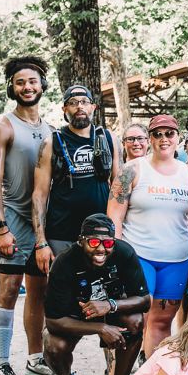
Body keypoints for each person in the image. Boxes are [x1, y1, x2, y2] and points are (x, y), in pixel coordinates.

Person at [107, 113, 188, 357]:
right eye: (157, 134)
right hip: (138, 256)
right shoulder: (132, 170)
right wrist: (115, 257)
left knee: (161, 323)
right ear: (150, 138)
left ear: (178, 138)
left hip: (177, 260)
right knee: (135, 321)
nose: (164, 139)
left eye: (169, 133)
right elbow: (114, 218)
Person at [0, 56, 53, 375]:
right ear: (12, 88)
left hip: (41, 224)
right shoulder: (3, 127)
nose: (27, 87)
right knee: (10, 289)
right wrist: (1, 227)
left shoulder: (51, 130)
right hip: (12, 220)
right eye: (20, 82)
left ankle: (35, 360)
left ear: (42, 85)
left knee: (38, 293)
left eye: (32, 81)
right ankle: (0, 364)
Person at [42, 214, 150, 375]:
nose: (101, 249)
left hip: (111, 310)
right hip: (74, 316)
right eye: (93, 242)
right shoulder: (64, 262)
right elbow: (53, 322)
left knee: (135, 322)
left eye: (108, 243)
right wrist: (100, 328)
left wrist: (110, 305)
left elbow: (145, 301)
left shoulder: (124, 253)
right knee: (53, 344)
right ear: (81, 241)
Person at [32, 84, 119, 272]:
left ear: (93, 107)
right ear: (65, 109)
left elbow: (119, 190)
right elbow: (39, 195)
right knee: (62, 286)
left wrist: (117, 234)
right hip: (61, 233)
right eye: (73, 103)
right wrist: (41, 242)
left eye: (84, 102)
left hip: (101, 234)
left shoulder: (108, 138)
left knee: (100, 286)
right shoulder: (52, 142)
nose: (79, 106)